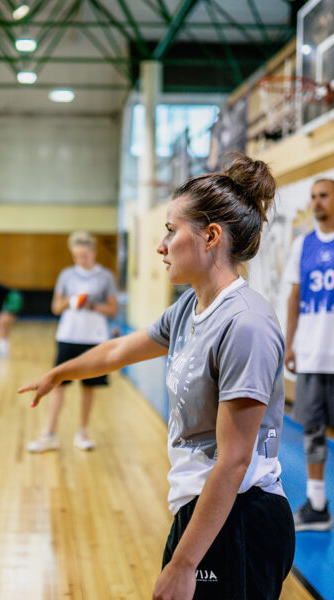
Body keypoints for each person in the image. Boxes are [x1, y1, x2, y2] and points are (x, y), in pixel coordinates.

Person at [19, 154, 295, 600]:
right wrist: (61, 372)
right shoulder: (189, 306)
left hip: (241, 519)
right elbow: (120, 349)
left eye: (171, 230)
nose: (161, 245)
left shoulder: (246, 324)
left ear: (210, 237)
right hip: (199, 508)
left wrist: (184, 565)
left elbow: (233, 461)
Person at [26, 231, 118, 453]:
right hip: (68, 336)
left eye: (84, 255)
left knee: (89, 387)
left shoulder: (105, 277)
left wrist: (91, 305)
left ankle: (82, 432)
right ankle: (48, 433)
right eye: (77, 256)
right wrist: (70, 301)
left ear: (93, 253)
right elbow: (55, 308)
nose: (80, 260)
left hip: (94, 339)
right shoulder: (66, 275)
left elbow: (112, 309)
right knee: (58, 385)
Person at [284, 178, 334, 532]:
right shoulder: (302, 245)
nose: (317, 202)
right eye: (313, 196)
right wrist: (289, 343)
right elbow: (293, 297)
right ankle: (317, 506)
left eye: (324, 195)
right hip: (313, 353)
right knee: (313, 431)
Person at [0, 281, 24, 359]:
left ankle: (1, 352)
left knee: (1, 324)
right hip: (12, 301)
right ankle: (3, 352)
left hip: (12, 300)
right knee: (2, 325)